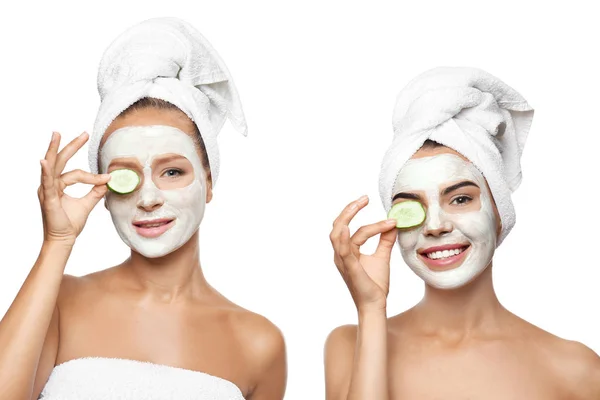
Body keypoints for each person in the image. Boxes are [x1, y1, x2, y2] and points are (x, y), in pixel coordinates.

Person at [0, 18, 286, 400]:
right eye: (125, 176)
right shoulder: (58, 302)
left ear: (209, 182)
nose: (148, 198)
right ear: (102, 189)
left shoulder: (258, 343)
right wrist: (57, 242)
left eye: (172, 171)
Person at [325, 67, 600, 399]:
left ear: (499, 212)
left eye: (460, 199)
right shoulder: (349, 346)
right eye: (411, 206)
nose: (435, 225)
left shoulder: (576, 369)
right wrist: (371, 309)